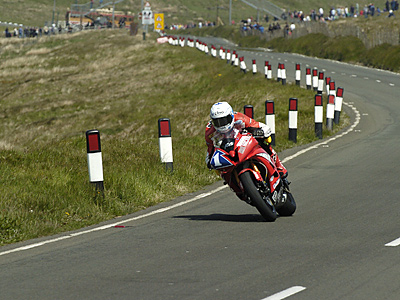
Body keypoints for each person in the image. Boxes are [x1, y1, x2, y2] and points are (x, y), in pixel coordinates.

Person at [205, 101, 288, 204]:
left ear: (231, 116)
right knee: (222, 171)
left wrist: (262, 131)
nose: (222, 124)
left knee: (265, 144)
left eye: (225, 120)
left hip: (243, 142)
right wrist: (209, 160)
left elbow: (254, 124)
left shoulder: (239, 118)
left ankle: (280, 168)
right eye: (218, 122)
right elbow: (210, 148)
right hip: (228, 150)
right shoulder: (209, 131)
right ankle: (239, 191)